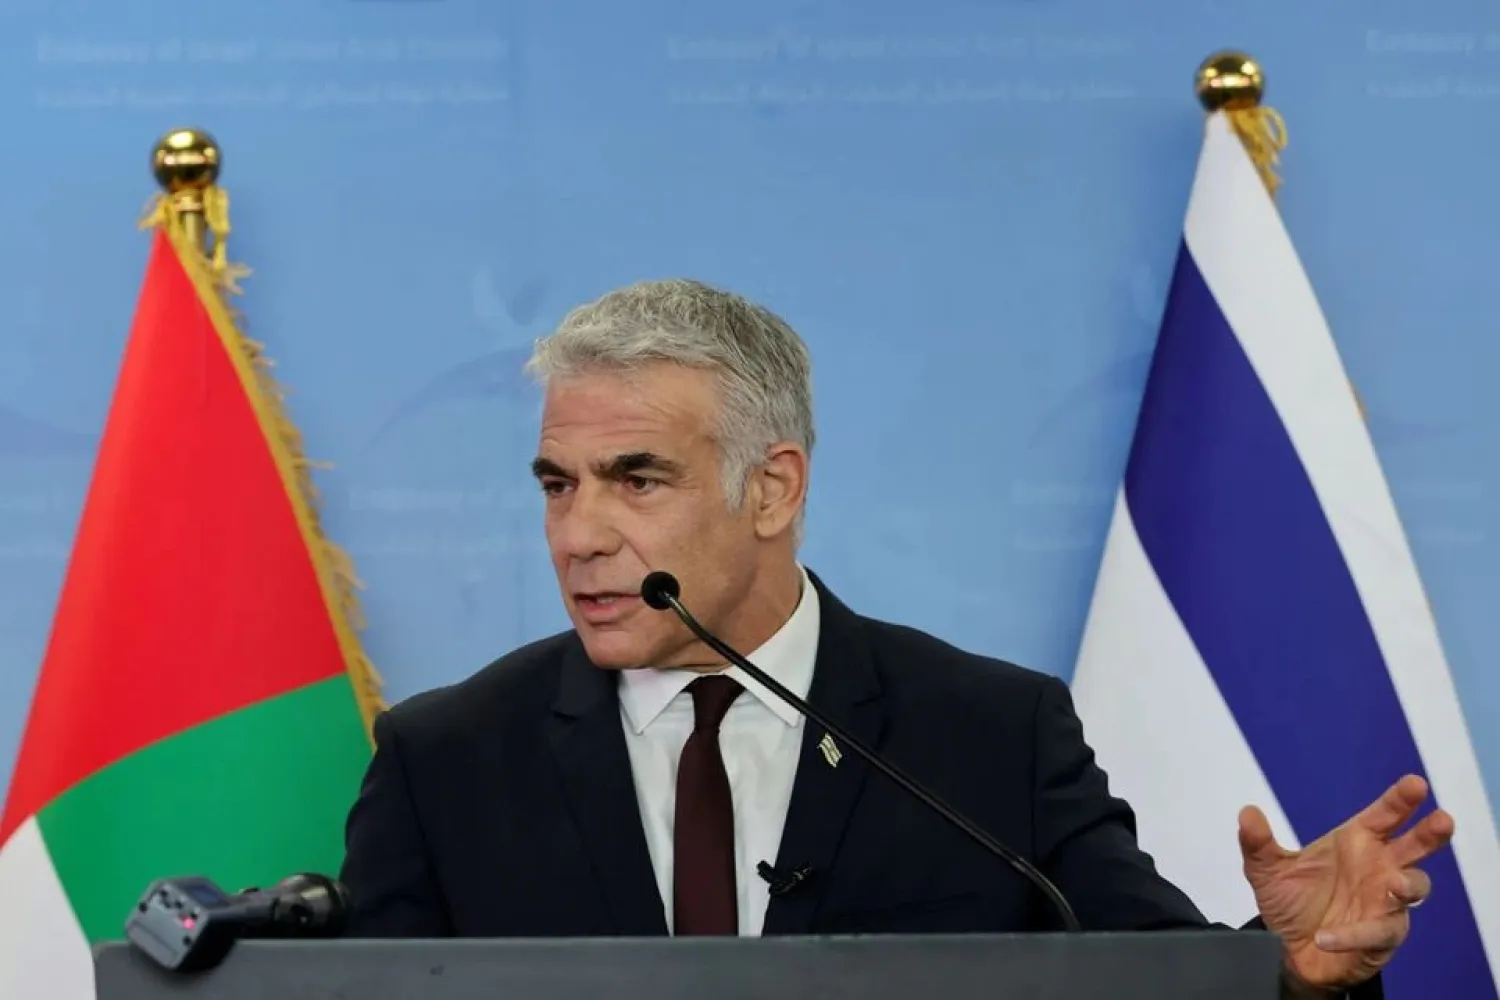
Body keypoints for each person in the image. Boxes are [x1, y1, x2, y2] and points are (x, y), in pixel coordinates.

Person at [339, 278, 1453, 999]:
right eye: (556, 484)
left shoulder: (986, 733)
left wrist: (1293, 975)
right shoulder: (448, 759)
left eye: (636, 479)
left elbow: (1141, 977)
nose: (578, 534)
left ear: (772, 489)